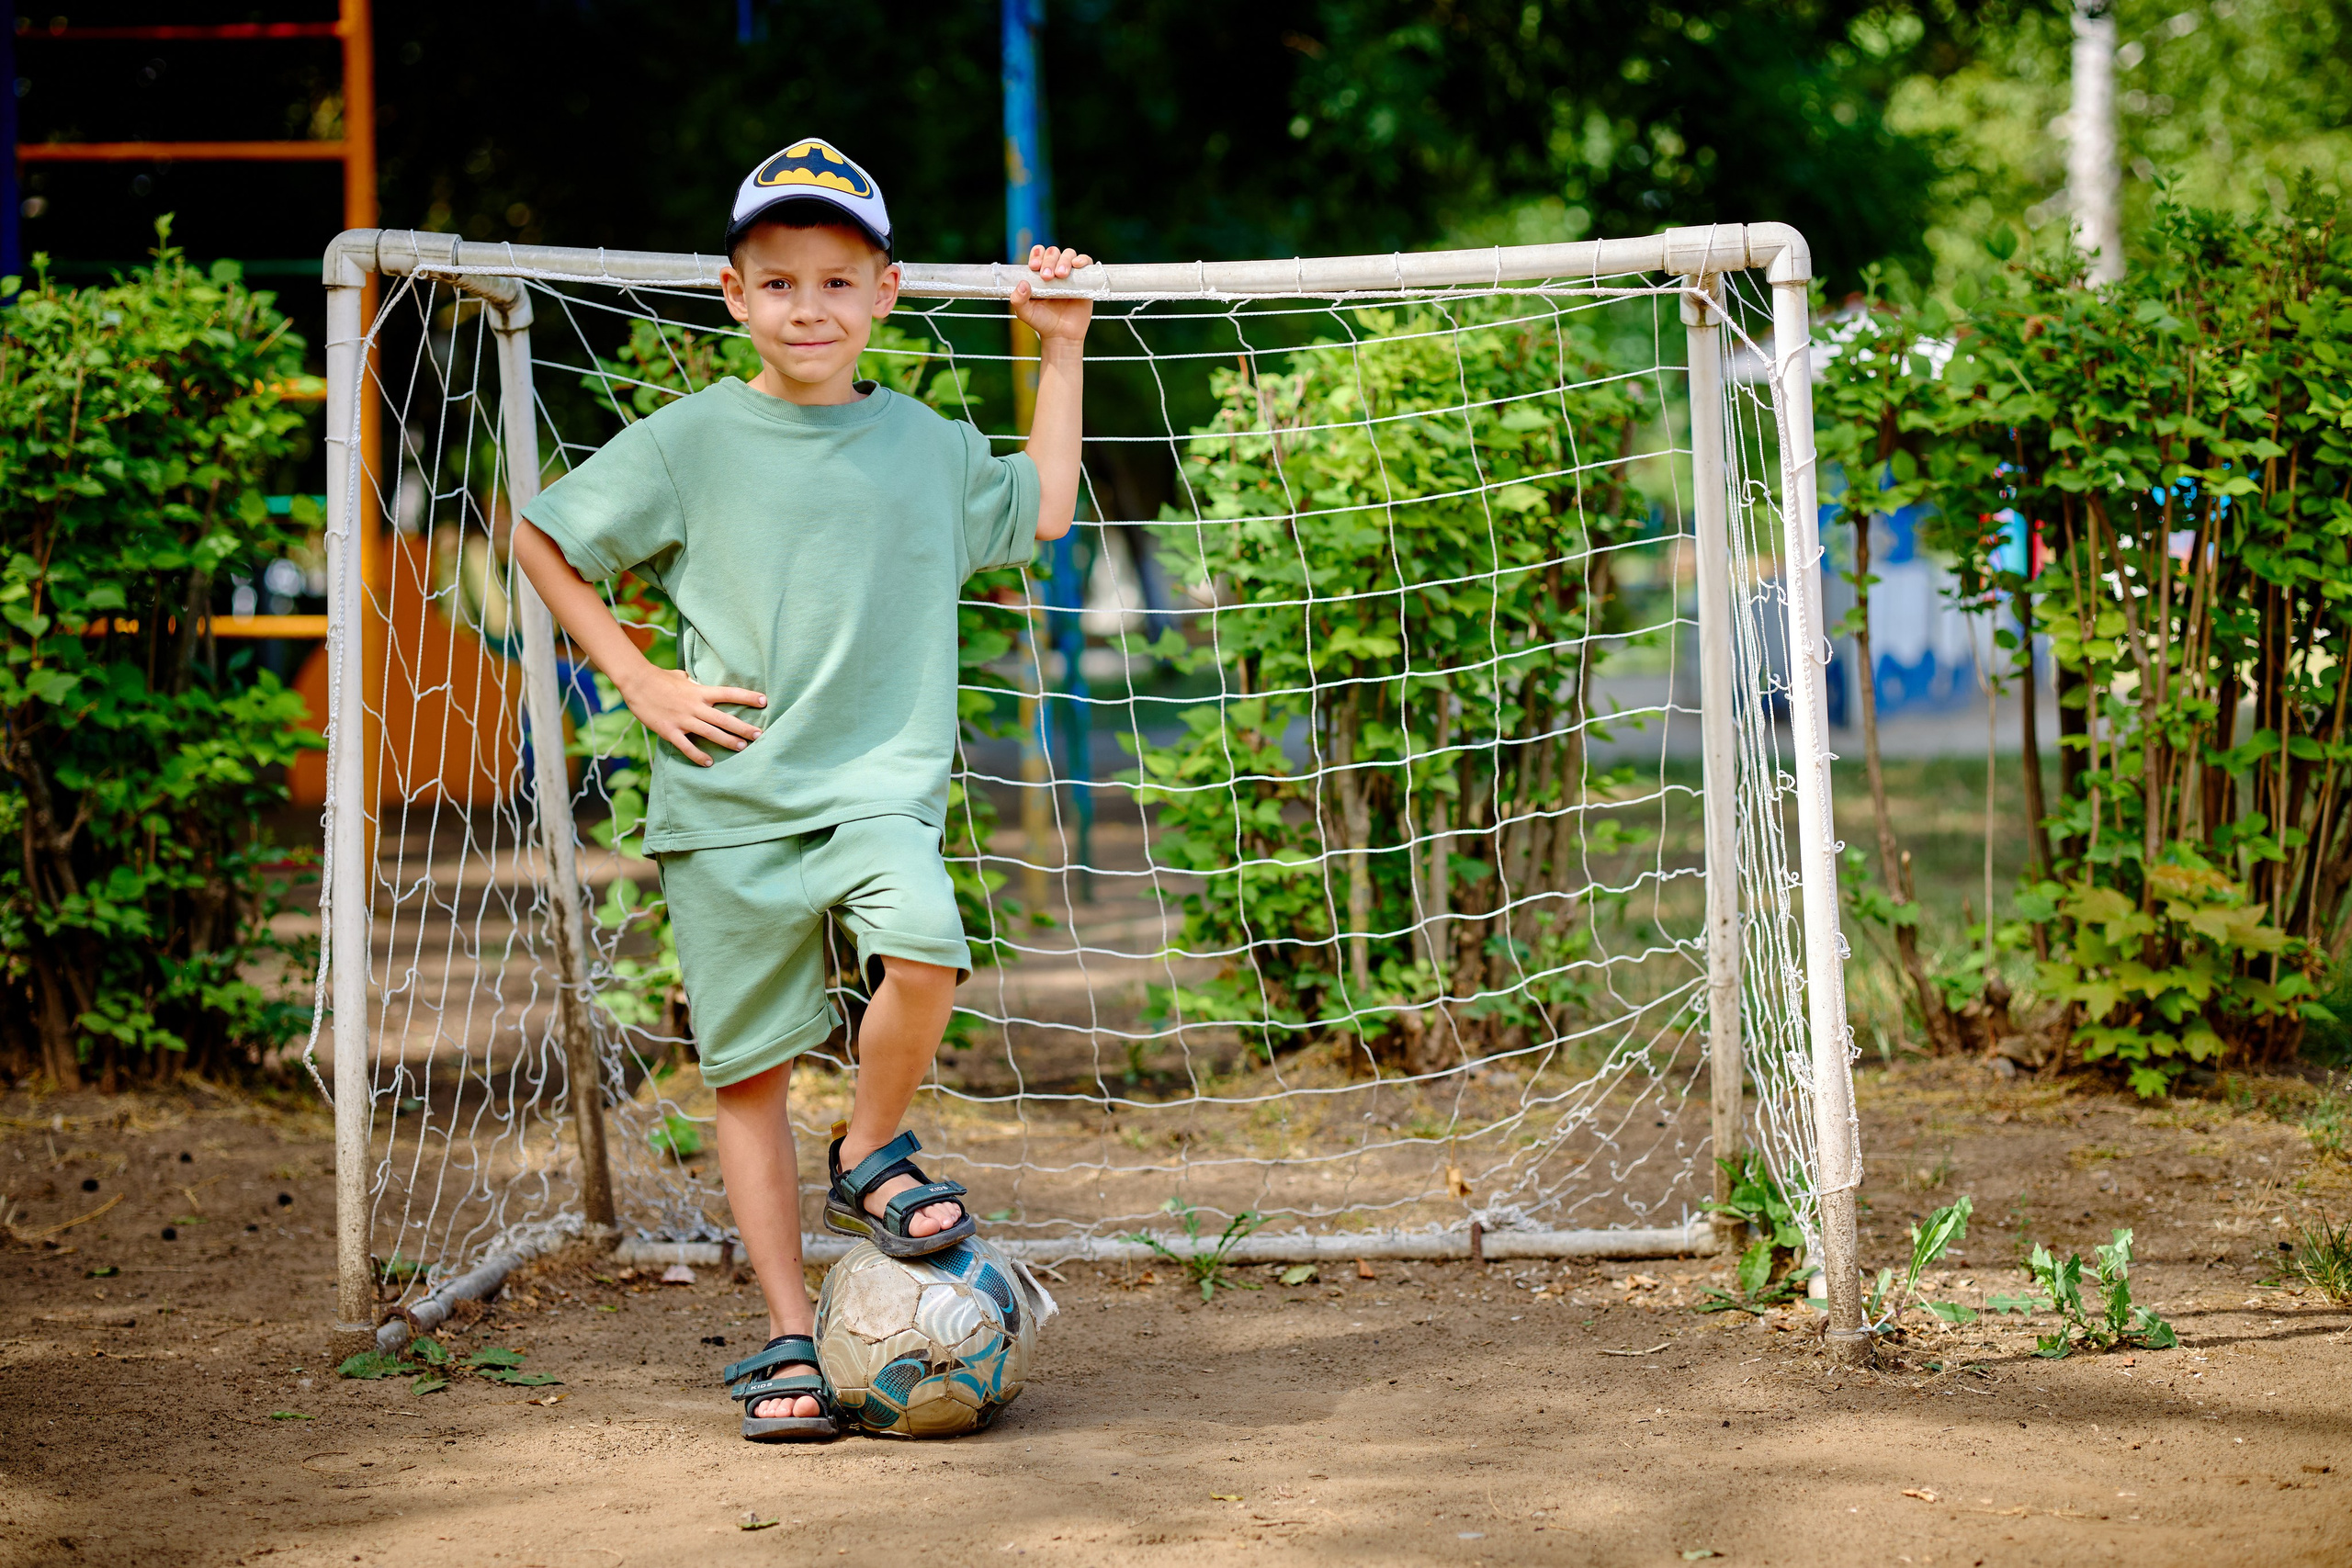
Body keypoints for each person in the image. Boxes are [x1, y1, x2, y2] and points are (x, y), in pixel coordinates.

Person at [512, 137, 1091, 1442]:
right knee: (749, 1076)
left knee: (926, 945)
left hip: (876, 786)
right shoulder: (694, 440)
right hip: (726, 799)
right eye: (781, 284)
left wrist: (1058, 346)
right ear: (734, 296)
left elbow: (1045, 508)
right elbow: (542, 534)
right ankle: (785, 1333)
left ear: (884, 295)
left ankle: (871, 1151)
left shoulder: (930, 446)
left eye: (838, 281)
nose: (810, 308)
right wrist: (638, 681)